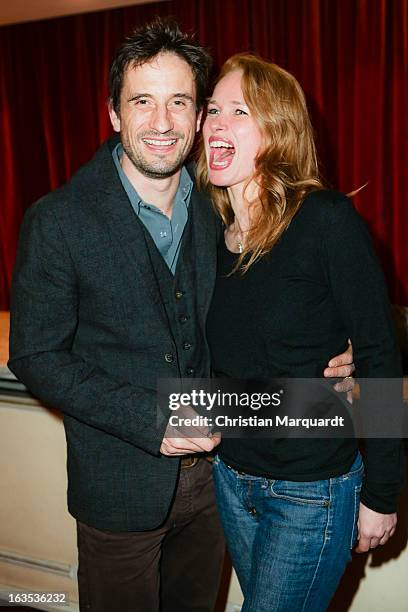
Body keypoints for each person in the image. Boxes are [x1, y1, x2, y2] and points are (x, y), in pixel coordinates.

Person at [8, 20, 354, 612]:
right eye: (142, 101)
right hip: (119, 490)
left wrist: (350, 378)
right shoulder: (59, 220)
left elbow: (282, 308)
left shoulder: (226, 205)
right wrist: (150, 419)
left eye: (179, 102)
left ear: (198, 118)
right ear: (115, 114)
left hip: (221, 479)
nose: (162, 123)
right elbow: (34, 354)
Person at [198, 54, 404, 612]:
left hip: (310, 492)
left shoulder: (325, 220)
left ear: (279, 129)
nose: (214, 122)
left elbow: (382, 354)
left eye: (238, 111)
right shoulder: (207, 232)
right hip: (233, 480)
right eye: (212, 109)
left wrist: (383, 493)